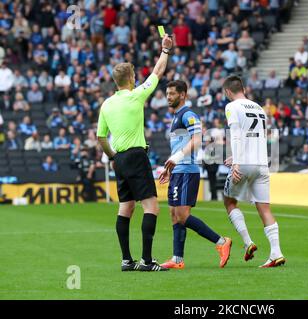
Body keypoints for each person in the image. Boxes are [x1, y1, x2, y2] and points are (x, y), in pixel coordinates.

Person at [96, 34, 173, 272]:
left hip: (119, 159)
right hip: (136, 156)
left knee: (126, 208)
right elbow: (158, 72)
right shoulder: (137, 94)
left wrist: (112, 157)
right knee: (152, 207)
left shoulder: (106, 104)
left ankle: (126, 260)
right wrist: (165, 50)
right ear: (130, 79)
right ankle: (147, 261)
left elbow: (100, 137)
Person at [158, 80, 232, 269]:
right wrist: (170, 167)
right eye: (167, 93)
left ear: (183, 95)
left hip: (188, 170)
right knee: (174, 214)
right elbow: (179, 146)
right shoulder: (175, 117)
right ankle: (177, 259)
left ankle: (221, 242)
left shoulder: (188, 114)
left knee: (182, 215)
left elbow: (197, 140)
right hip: (178, 170)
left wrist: (178, 158)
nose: (168, 97)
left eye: (172, 93)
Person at [221, 75, 286, 268]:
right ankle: (276, 253)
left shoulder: (232, 107)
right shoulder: (259, 108)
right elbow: (256, 136)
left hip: (244, 164)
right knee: (264, 208)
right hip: (261, 163)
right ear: (243, 88)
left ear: (227, 92)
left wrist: (236, 162)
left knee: (229, 201)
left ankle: (248, 242)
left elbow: (236, 135)